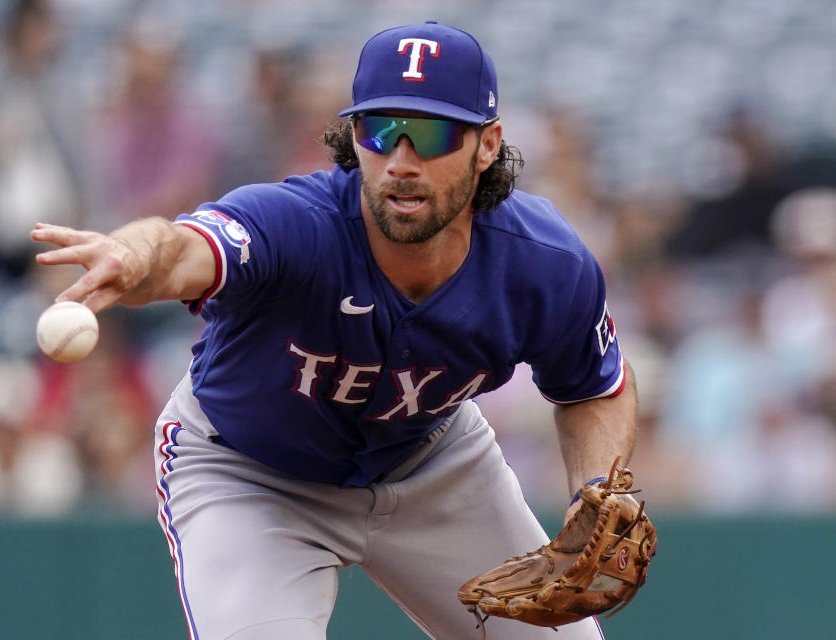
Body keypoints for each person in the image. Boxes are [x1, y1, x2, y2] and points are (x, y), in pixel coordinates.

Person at [32, 22, 637, 640]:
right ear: (354, 137)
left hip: (430, 460)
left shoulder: (544, 263)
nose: (401, 160)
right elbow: (186, 249)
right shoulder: (298, 224)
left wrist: (597, 490)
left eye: (429, 133)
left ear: (487, 145)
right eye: (379, 130)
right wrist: (137, 257)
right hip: (249, 475)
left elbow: (594, 385)